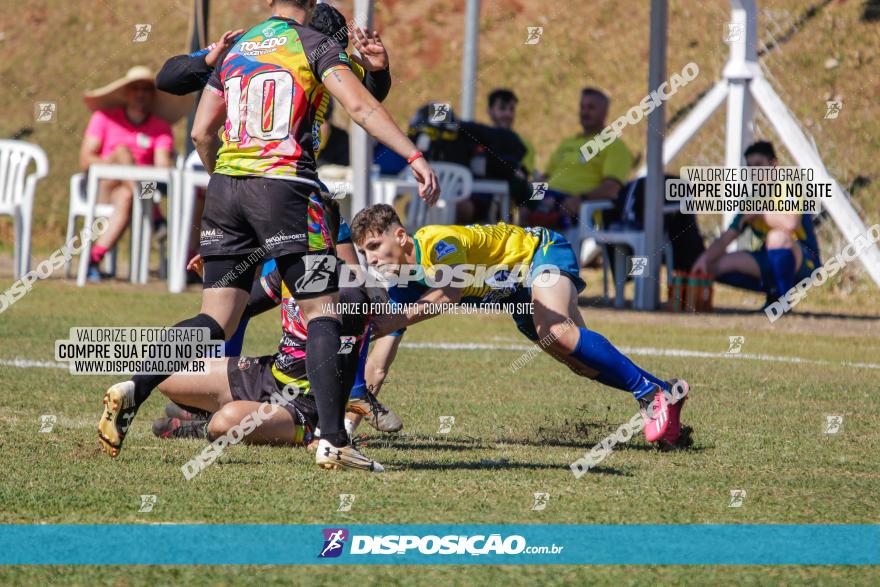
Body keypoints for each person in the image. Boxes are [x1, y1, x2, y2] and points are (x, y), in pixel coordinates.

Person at [97, 0, 439, 474]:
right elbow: (360, 105)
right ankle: (333, 441)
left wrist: (231, 197)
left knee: (214, 318)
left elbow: (200, 132)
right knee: (323, 309)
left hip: (225, 188)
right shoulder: (314, 44)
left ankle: (135, 386)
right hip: (287, 189)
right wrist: (414, 157)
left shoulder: (242, 47)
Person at [350, 204, 690, 448]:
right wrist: (346, 431)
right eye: (365, 253)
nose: (372, 259)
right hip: (516, 294)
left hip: (538, 253)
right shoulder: (402, 286)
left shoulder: (440, 242)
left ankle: (649, 394)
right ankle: (665, 391)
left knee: (556, 331)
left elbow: (450, 292)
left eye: (375, 246)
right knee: (580, 362)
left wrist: (395, 318)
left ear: (400, 235)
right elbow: (377, 367)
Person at [79, 66, 190, 281]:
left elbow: (162, 166)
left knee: (127, 196)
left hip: (133, 191)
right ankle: (157, 217)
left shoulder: (160, 128)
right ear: (126, 93)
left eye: (146, 89)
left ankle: (92, 259)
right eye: (135, 88)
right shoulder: (104, 118)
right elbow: (85, 160)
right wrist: (118, 163)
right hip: (102, 186)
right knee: (121, 152)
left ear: (152, 95)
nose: (140, 94)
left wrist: (165, 163)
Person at [690, 141, 821, 306]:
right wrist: (704, 259)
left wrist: (761, 213)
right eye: (750, 167)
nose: (755, 172)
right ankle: (771, 290)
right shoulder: (752, 200)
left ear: (774, 165)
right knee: (715, 265)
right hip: (769, 256)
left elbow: (790, 224)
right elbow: (726, 238)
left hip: (804, 260)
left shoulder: (788, 188)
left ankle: (782, 301)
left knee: (777, 237)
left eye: (759, 165)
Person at [526, 88, 633, 231]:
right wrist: (529, 197)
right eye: (582, 107)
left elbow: (611, 189)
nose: (585, 112)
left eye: (591, 107)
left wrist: (580, 199)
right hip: (548, 198)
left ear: (605, 112)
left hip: (577, 206)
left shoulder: (614, 145)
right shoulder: (567, 143)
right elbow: (546, 178)